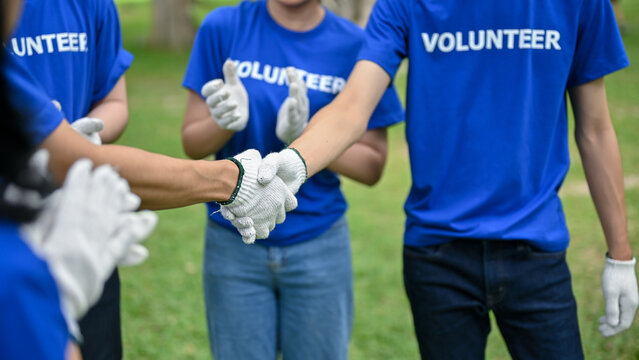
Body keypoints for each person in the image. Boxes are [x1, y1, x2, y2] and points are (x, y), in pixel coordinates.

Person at [240, 0, 639, 358]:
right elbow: (351, 108)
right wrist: (297, 160)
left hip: (536, 251)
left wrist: (621, 255)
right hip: (437, 255)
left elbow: (596, 129)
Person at [181, 0, 404, 358]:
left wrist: (308, 136)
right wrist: (222, 124)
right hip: (235, 241)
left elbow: (372, 165)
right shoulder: (223, 26)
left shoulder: (355, 46)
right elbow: (192, 142)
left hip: (318, 243)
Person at [0, 1, 156, 358]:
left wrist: (80, 138)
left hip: (79, 220)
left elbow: (115, 101)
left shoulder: (93, 4)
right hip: (13, 227)